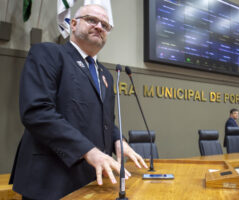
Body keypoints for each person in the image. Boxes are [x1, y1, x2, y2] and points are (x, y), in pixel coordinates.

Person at [9, 4, 147, 200]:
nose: (99, 26)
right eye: (92, 20)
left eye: (105, 25)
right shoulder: (47, 54)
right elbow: (37, 111)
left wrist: (118, 140)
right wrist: (88, 151)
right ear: (73, 24)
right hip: (50, 182)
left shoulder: (105, 74)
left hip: (89, 181)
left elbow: (104, 118)